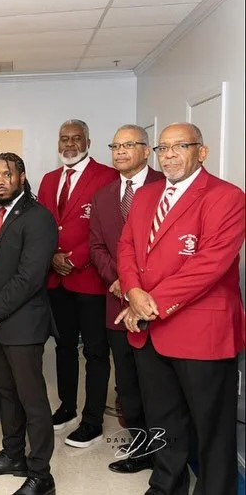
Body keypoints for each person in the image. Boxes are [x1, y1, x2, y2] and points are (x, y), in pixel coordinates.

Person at [116, 122, 244, 495]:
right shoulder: (145, 196)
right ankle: (165, 486)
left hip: (201, 331)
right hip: (151, 331)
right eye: (163, 148)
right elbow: (127, 248)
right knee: (163, 420)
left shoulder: (226, 196)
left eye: (180, 146)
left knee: (211, 427)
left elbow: (210, 264)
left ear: (201, 152)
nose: (169, 154)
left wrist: (146, 302)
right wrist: (133, 291)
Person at [0, 153, 58, 495]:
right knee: (5, 392)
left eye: (7, 174)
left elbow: (29, 278)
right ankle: (12, 455)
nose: (0, 180)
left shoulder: (38, 218)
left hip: (22, 325)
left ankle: (41, 474)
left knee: (31, 398)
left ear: (21, 176)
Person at [37, 119, 118, 448]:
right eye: (63, 139)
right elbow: (42, 224)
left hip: (90, 279)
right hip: (56, 281)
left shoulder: (107, 177)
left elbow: (108, 228)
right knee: (64, 348)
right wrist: (52, 256)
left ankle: (93, 420)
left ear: (88, 141)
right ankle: (67, 408)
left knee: (97, 352)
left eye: (75, 138)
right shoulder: (49, 179)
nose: (69, 144)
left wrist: (73, 258)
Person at [88, 125, 163, 474]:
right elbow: (97, 247)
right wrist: (118, 282)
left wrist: (137, 288)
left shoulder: (165, 186)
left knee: (158, 382)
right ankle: (140, 449)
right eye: (115, 146)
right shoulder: (103, 197)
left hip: (156, 304)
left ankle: (166, 452)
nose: (120, 152)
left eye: (129, 145)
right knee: (128, 382)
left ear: (146, 150)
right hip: (117, 303)